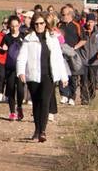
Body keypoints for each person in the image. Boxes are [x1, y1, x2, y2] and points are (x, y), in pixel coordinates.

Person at [16, 14, 69, 142]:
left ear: (45, 24)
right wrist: (21, 72)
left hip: (49, 75)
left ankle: (43, 131)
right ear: (33, 25)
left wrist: (63, 76)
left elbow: (58, 59)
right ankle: (37, 129)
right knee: (36, 103)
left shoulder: (53, 39)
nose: (39, 26)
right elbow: (21, 57)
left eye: (41, 23)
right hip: (33, 76)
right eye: (36, 24)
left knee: (45, 101)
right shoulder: (28, 39)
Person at [0, 15, 27, 121]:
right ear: (9, 26)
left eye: (16, 25)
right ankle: (12, 112)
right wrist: (3, 49)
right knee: (10, 89)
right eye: (12, 26)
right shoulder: (7, 37)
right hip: (10, 67)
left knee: (20, 90)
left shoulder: (24, 36)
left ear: (19, 25)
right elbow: (1, 50)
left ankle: (19, 106)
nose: (14, 28)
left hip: (21, 68)